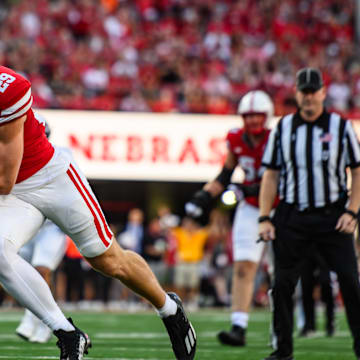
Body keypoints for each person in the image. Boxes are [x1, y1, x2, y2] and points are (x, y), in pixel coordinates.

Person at [0, 65, 196, 360]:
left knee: (108, 260)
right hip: (15, 195)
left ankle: (169, 310)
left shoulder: (9, 88)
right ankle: (67, 333)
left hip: (49, 177)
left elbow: (5, 178)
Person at [258, 67, 360, 360]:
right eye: (304, 91)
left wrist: (353, 211)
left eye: (313, 91)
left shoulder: (341, 127)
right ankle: (283, 351)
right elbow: (271, 175)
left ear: (323, 93)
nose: (308, 97)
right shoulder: (284, 128)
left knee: (351, 282)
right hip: (293, 217)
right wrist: (265, 217)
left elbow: (358, 170)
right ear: (296, 93)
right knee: (281, 286)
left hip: (333, 217)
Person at [186, 90, 274, 346]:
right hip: (249, 207)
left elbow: (283, 180)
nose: (254, 121)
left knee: (281, 271)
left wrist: (246, 189)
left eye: (258, 116)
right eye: (249, 116)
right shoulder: (236, 139)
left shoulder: (276, 138)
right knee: (244, 266)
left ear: (266, 116)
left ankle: (282, 324)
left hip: (278, 206)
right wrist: (203, 196)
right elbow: (225, 174)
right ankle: (239, 326)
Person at [16, 219, 67, 343]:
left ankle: (39, 321)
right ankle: (38, 318)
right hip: (26, 224)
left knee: (42, 270)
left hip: (51, 226)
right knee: (25, 273)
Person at [297, 250, 336, 338]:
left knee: (326, 286)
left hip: (322, 250)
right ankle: (309, 325)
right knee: (306, 288)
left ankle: (330, 323)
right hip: (306, 250)